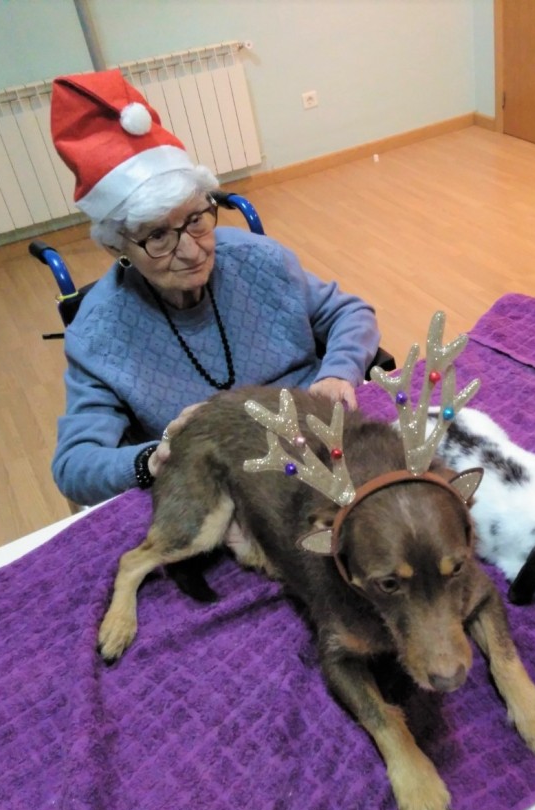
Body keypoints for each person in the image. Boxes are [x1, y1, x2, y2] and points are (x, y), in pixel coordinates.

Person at [47, 70, 380, 506]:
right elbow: (74, 465)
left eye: (196, 220)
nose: (192, 251)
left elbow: (350, 313)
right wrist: (152, 459)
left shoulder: (257, 258)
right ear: (116, 246)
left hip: (318, 439)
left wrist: (336, 372)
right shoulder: (99, 334)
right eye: (158, 236)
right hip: (224, 485)